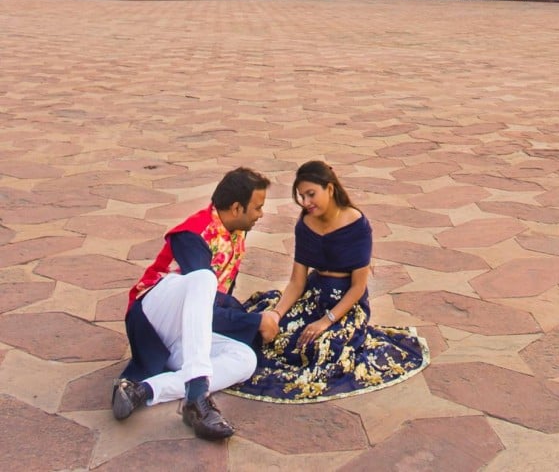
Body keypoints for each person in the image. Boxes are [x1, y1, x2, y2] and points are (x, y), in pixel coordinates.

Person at [228, 160, 428, 403]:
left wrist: (326, 321)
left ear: (330, 189)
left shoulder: (357, 225)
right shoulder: (305, 224)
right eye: (301, 196)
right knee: (276, 337)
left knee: (322, 348)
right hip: (313, 294)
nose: (306, 202)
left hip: (345, 303)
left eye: (311, 194)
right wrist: (277, 313)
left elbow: (358, 287)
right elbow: (296, 282)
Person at [111, 166, 274, 440]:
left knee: (245, 360)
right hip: (154, 316)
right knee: (204, 280)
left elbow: (208, 311)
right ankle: (198, 393)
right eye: (257, 207)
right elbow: (207, 301)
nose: (261, 214)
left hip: (186, 332)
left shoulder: (236, 232)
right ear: (236, 208)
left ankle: (144, 390)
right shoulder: (193, 234)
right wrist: (255, 321)